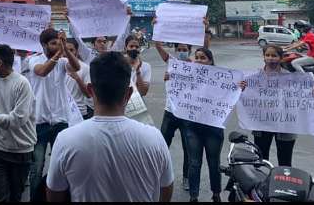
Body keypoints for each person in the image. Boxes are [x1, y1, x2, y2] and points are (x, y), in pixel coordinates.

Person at [46, 52, 174, 202]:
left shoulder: (66, 140)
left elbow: (54, 192)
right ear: (129, 93)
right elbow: (166, 188)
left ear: (90, 90)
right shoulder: (154, 138)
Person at [236, 45, 314, 167]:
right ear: (263, 57)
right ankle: (261, 184)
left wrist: (313, 92)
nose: (270, 58)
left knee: (285, 160)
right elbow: (242, 96)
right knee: (260, 160)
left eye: (274, 55)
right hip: (262, 124)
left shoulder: (291, 77)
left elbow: (302, 94)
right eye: (267, 55)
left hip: (285, 125)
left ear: (281, 58)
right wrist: (241, 88)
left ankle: (284, 184)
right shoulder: (253, 78)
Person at [0, 44, 36, 203]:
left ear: (0, 62)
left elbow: (19, 119)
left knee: (15, 196)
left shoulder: (22, 84)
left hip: (21, 150)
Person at [28, 28, 81, 202]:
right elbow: (42, 71)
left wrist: (65, 48)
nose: (56, 46)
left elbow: (77, 66)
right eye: (53, 43)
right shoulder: (33, 60)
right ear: (44, 45)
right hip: (39, 122)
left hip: (60, 121)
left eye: (58, 43)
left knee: (62, 166)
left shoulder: (62, 60)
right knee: (37, 167)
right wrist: (59, 53)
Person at [184, 48, 224, 202]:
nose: (199, 60)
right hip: (192, 127)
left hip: (213, 128)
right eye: (197, 57)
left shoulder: (222, 79)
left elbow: (232, 93)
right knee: (194, 163)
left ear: (211, 61)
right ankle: (193, 196)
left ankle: (216, 194)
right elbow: (176, 91)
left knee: (214, 163)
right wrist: (170, 78)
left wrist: (240, 85)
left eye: (203, 58)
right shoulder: (187, 76)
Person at [155, 40, 193, 193]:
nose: (182, 51)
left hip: (186, 114)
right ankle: (157, 176)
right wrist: (157, 29)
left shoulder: (196, 65)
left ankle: (186, 177)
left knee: (188, 148)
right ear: (175, 51)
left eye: (185, 49)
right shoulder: (172, 62)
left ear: (190, 51)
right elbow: (158, 46)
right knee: (162, 145)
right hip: (170, 112)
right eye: (179, 49)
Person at [63, 36, 93, 120]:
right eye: (65, 50)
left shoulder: (85, 68)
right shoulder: (56, 66)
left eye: (71, 50)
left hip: (79, 112)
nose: (67, 53)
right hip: (61, 114)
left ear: (76, 51)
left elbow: (89, 94)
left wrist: (77, 78)